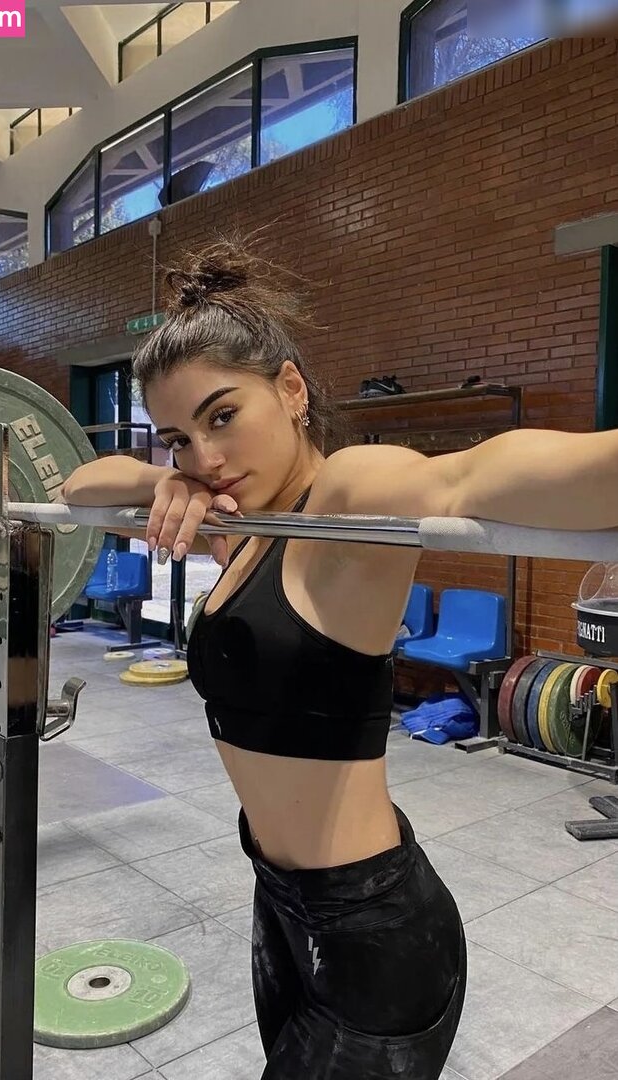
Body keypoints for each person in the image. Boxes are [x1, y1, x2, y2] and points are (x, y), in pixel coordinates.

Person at [62, 234, 618, 1080]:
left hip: (372, 930)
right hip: (279, 901)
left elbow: (476, 476)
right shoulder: (241, 523)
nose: (206, 457)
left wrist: (179, 477)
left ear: (290, 389)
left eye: (221, 417)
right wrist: (162, 480)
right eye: (177, 438)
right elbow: (78, 486)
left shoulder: (349, 495)